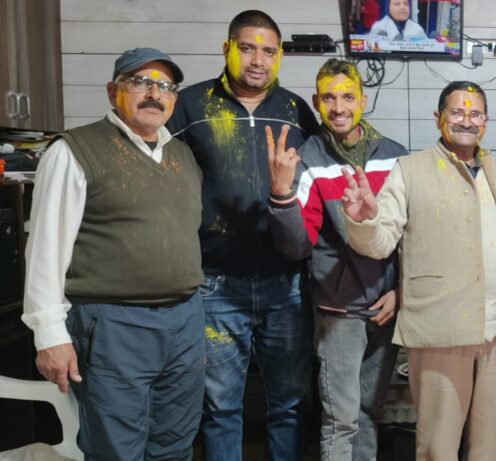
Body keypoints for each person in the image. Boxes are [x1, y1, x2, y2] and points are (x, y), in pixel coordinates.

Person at [22, 48, 204, 459]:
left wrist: (194, 331)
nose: (154, 94)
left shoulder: (183, 155)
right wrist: (49, 335)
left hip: (185, 322)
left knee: (175, 446)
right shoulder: (74, 150)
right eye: (141, 82)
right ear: (112, 91)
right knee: (116, 450)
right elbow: (45, 249)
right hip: (113, 325)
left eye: (166, 87)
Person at [167, 10, 319, 460]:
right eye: (248, 48)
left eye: (268, 51)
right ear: (227, 48)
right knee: (220, 408)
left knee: (290, 405)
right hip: (215, 283)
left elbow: (315, 190)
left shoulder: (296, 111)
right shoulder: (190, 106)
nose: (258, 60)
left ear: (280, 56)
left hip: (287, 284)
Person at [340, 81, 496, 461]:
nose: (466, 120)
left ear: (486, 122)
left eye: (475, 113)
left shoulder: (494, 169)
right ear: (438, 117)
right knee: (438, 446)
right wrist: (364, 220)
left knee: (490, 443)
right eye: (457, 112)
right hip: (441, 329)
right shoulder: (410, 170)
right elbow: (380, 243)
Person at [265, 58, 408, 461]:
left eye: (348, 97)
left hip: (386, 308)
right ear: (317, 102)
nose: (339, 107)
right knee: (341, 420)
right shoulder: (308, 159)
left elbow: (409, 235)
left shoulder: (395, 156)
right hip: (339, 311)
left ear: (363, 100)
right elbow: (296, 245)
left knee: (369, 414)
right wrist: (281, 194)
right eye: (329, 98)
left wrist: (400, 291)